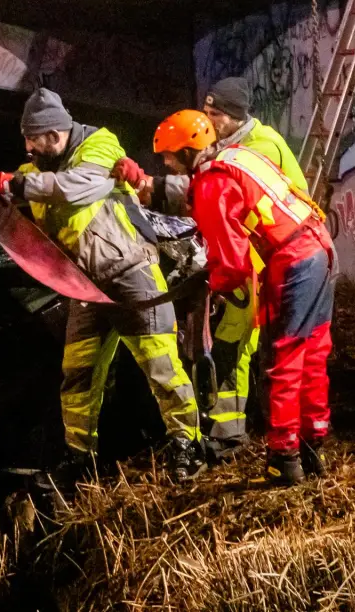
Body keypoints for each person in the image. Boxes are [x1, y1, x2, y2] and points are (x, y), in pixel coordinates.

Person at [0, 89, 204, 483]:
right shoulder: (34, 171)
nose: (27, 147)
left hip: (132, 276)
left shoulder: (99, 146)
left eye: (32, 139)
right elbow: (14, 192)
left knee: (162, 366)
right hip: (83, 287)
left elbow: (76, 187)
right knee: (78, 376)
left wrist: (13, 186)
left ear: (52, 134)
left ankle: (188, 446)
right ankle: (80, 459)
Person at [115, 78, 312, 458]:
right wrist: (146, 184)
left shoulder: (256, 147)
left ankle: (259, 440)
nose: (206, 119)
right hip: (261, 259)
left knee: (246, 349)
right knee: (238, 349)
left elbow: (227, 207)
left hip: (271, 260)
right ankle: (237, 432)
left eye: (213, 113)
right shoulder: (227, 148)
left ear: (234, 116)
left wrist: (225, 278)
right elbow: (196, 191)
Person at [151, 109, 334, 486]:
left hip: (292, 260)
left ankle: (284, 459)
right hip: (318, 246)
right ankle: (313, 447)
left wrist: (212, 287)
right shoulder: (239, 156)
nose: (167, 164)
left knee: (283, 359)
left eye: (169, 156)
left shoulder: (212, 184)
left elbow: (231, 263)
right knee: (312, 352)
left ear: (187, 153)